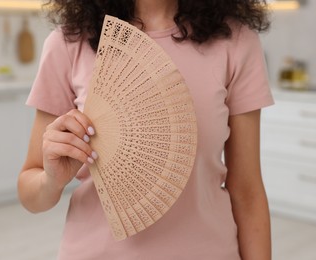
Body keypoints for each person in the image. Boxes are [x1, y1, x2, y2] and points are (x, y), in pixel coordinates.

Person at [18, 0, 274, 259]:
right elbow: (31, 195)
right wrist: (52, 181)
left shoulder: (237, 41)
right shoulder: (69, 42)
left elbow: (247, 192)